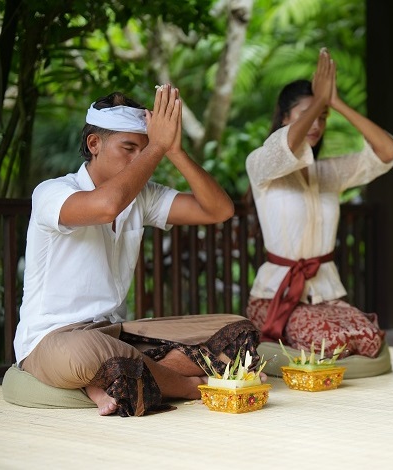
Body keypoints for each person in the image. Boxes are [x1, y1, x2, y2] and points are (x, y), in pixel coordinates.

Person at [13, 86, 260, 417]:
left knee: (238, 332)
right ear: (94, 144)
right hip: (53, 341)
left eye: (144, 150)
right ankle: (190, 384)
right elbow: (106, 207)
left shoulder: (143, 197)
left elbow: (218, 210)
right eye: (129, 148)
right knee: (92, 353)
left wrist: (173, 150)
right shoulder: (52, 192)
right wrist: (156, 145)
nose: (141, 159)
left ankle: (125, 377)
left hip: (118, 334)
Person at [245, 48, 393, 358]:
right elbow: (285, 148)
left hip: (326, 294)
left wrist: (336, 102)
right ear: (285, 117)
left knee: (369, 339)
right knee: (331, 345)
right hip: (273, 296)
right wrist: (320, 100)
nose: (316, 123)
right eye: (305, 114)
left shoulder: (328, 173)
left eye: (323, 117)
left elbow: (388, 153)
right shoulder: (260, 164)